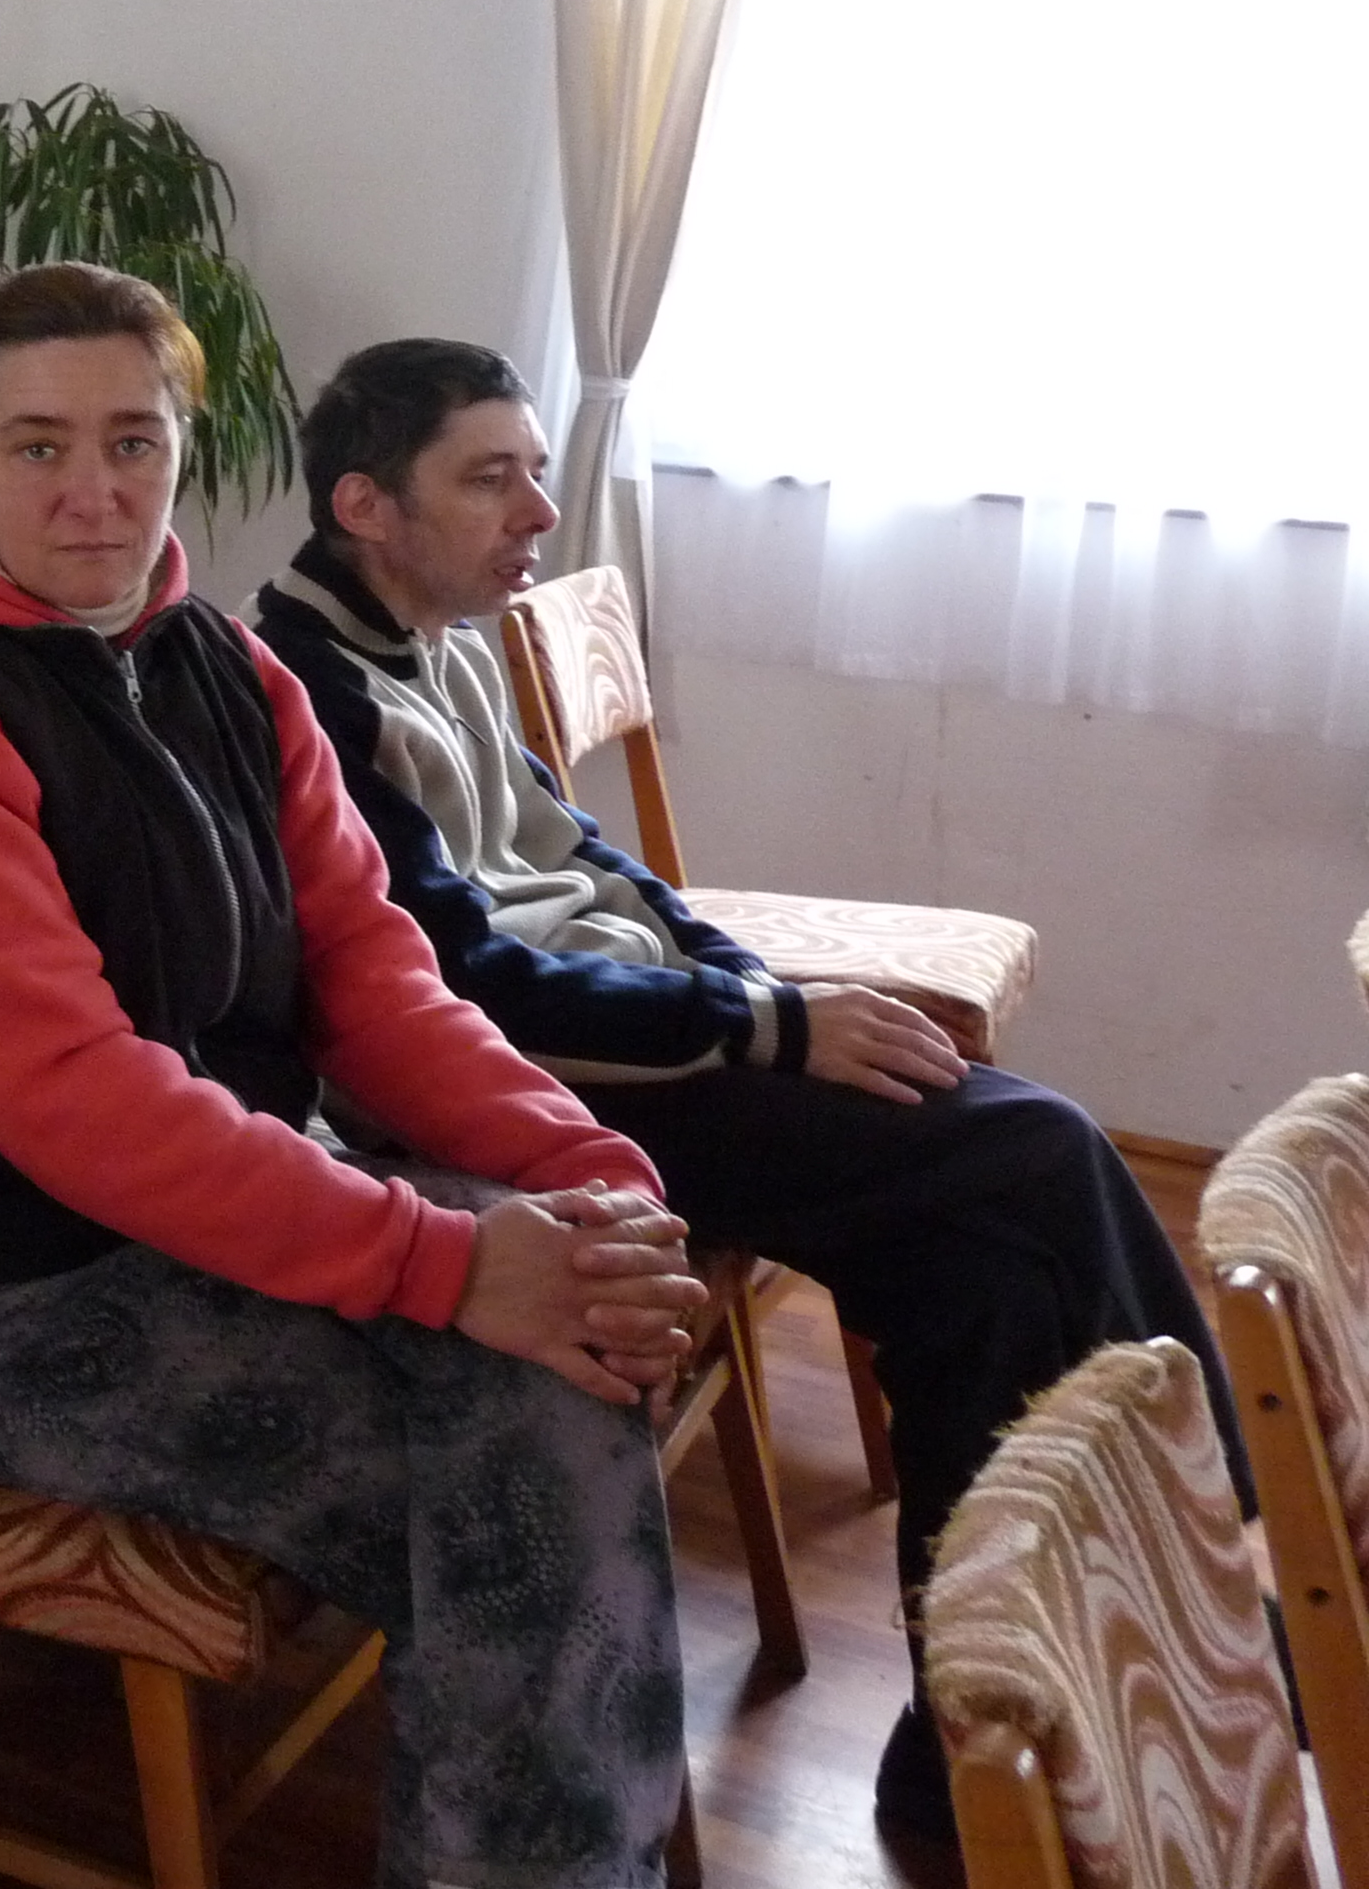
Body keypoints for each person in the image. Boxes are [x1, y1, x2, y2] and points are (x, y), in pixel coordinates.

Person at [249, 336, 1248, 1846]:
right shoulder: (306, 689)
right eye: (491, 478)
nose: (537, 511)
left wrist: (746, 982)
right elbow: (464, 986)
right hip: (523, 1097)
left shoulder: (440, 631)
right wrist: (769, 1028)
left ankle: (964, 1740)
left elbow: (587, 857)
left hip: (652, 1041)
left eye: (535, 470)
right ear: (366, 506)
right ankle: (1231, 1550)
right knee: (1040, 1145)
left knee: (973, 1282)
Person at [0, 262, 702, 1889]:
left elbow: (375, 977)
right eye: (39, 445)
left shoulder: (222, 664)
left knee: (567, 1372)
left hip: (240, 1214)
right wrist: (447, 1261)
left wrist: (584, 1176)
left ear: (181, 450)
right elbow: (80, 1101)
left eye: (132, 441)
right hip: (3, 1298)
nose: (92, 490)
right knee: (533, 1466)